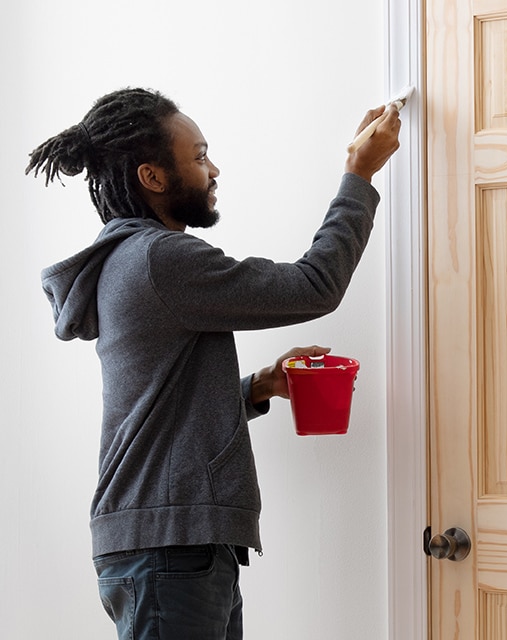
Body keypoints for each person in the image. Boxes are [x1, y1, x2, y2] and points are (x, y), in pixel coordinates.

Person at [26, 87, 401, 640]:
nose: (214, 169)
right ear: (152, 178)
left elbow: (157, 406)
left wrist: (257, 388)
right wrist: (358, 174)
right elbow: (315, 285)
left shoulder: (133, 260)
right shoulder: (159, 258)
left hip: (169, 543)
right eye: (199, 157)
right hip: (170, 547)